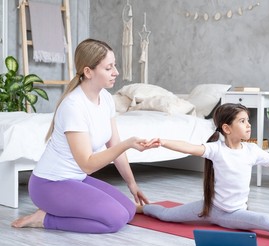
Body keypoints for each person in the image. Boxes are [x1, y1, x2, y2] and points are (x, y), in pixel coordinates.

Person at [11, 39, 159, 234]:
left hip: (76, 180)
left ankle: (59, 211)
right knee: (115, 220)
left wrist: (132, 184)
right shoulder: (73, 107)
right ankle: (44, 219)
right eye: (109, 68)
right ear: (88, 71)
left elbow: (113, 145)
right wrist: (128, 144)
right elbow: (87, 165)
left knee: (129, 210)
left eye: (114, 66)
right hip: (49, 185)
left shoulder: (106, 98)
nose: (116, 72)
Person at [139, 103, 269, 246]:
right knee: (167, 215)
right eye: (242, 121)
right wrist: (162, 141)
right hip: (209, 207)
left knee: (265, 221)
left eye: (248, 120)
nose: (248, 125)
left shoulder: (252, 151)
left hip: (233, 214)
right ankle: (142, 209)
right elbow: (189, 147)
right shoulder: (217, 149)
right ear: (226, 128)